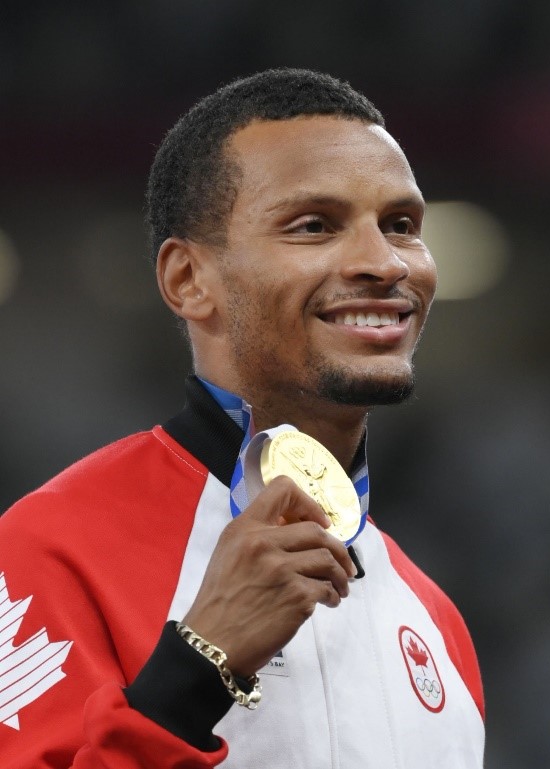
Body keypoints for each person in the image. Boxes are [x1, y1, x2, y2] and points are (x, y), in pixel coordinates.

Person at [0, 69, 484, 768]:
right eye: (313, 225)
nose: (382, 261)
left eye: (401, 225)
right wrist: (197, 669)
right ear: (188, 280)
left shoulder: (434, 619)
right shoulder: (48, 550)